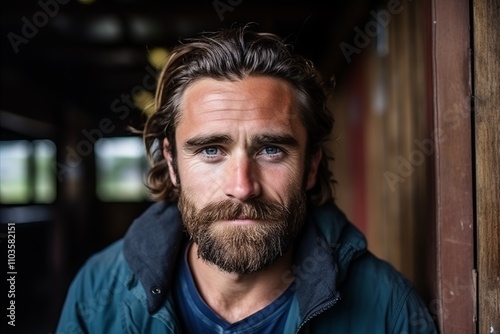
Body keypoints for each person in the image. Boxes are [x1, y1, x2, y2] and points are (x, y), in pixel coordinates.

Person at [56, 24, 438, 333]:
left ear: (311, 166)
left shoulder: (389, 308)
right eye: (210, 150)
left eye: (271, 150)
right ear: (171, 164)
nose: (242, 186)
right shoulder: (99, 291)